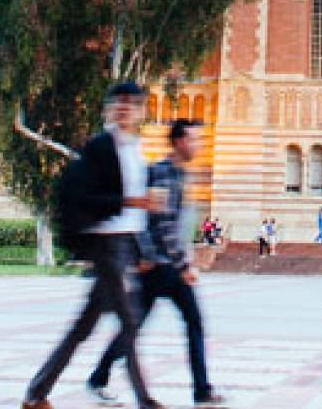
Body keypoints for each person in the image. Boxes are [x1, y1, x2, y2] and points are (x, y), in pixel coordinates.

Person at [23, 81, 163, 409]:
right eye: (119, 102)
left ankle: (37, 392)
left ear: (141, 111)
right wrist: (130, 201)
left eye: (132, 103)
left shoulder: (136, 149)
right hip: (105, 243)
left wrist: (142, 248)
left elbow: (136, 212)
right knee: (129, 320)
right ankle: (145, 401)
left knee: (84, 327)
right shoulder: (100, 146)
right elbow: (85, 196)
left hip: (124, 244)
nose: (125, 107)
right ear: (109, 109)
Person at [89, 120, 224, 406]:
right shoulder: (163, 173)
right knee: (189, 322)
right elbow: (162, 224)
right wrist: (182, 265)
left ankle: (99, 376)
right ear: (179, 141)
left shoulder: (177, 173)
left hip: (161, 265)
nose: (198, 145)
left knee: (138, 324)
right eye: (194, 139)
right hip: (161, 266)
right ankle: (201, 390)